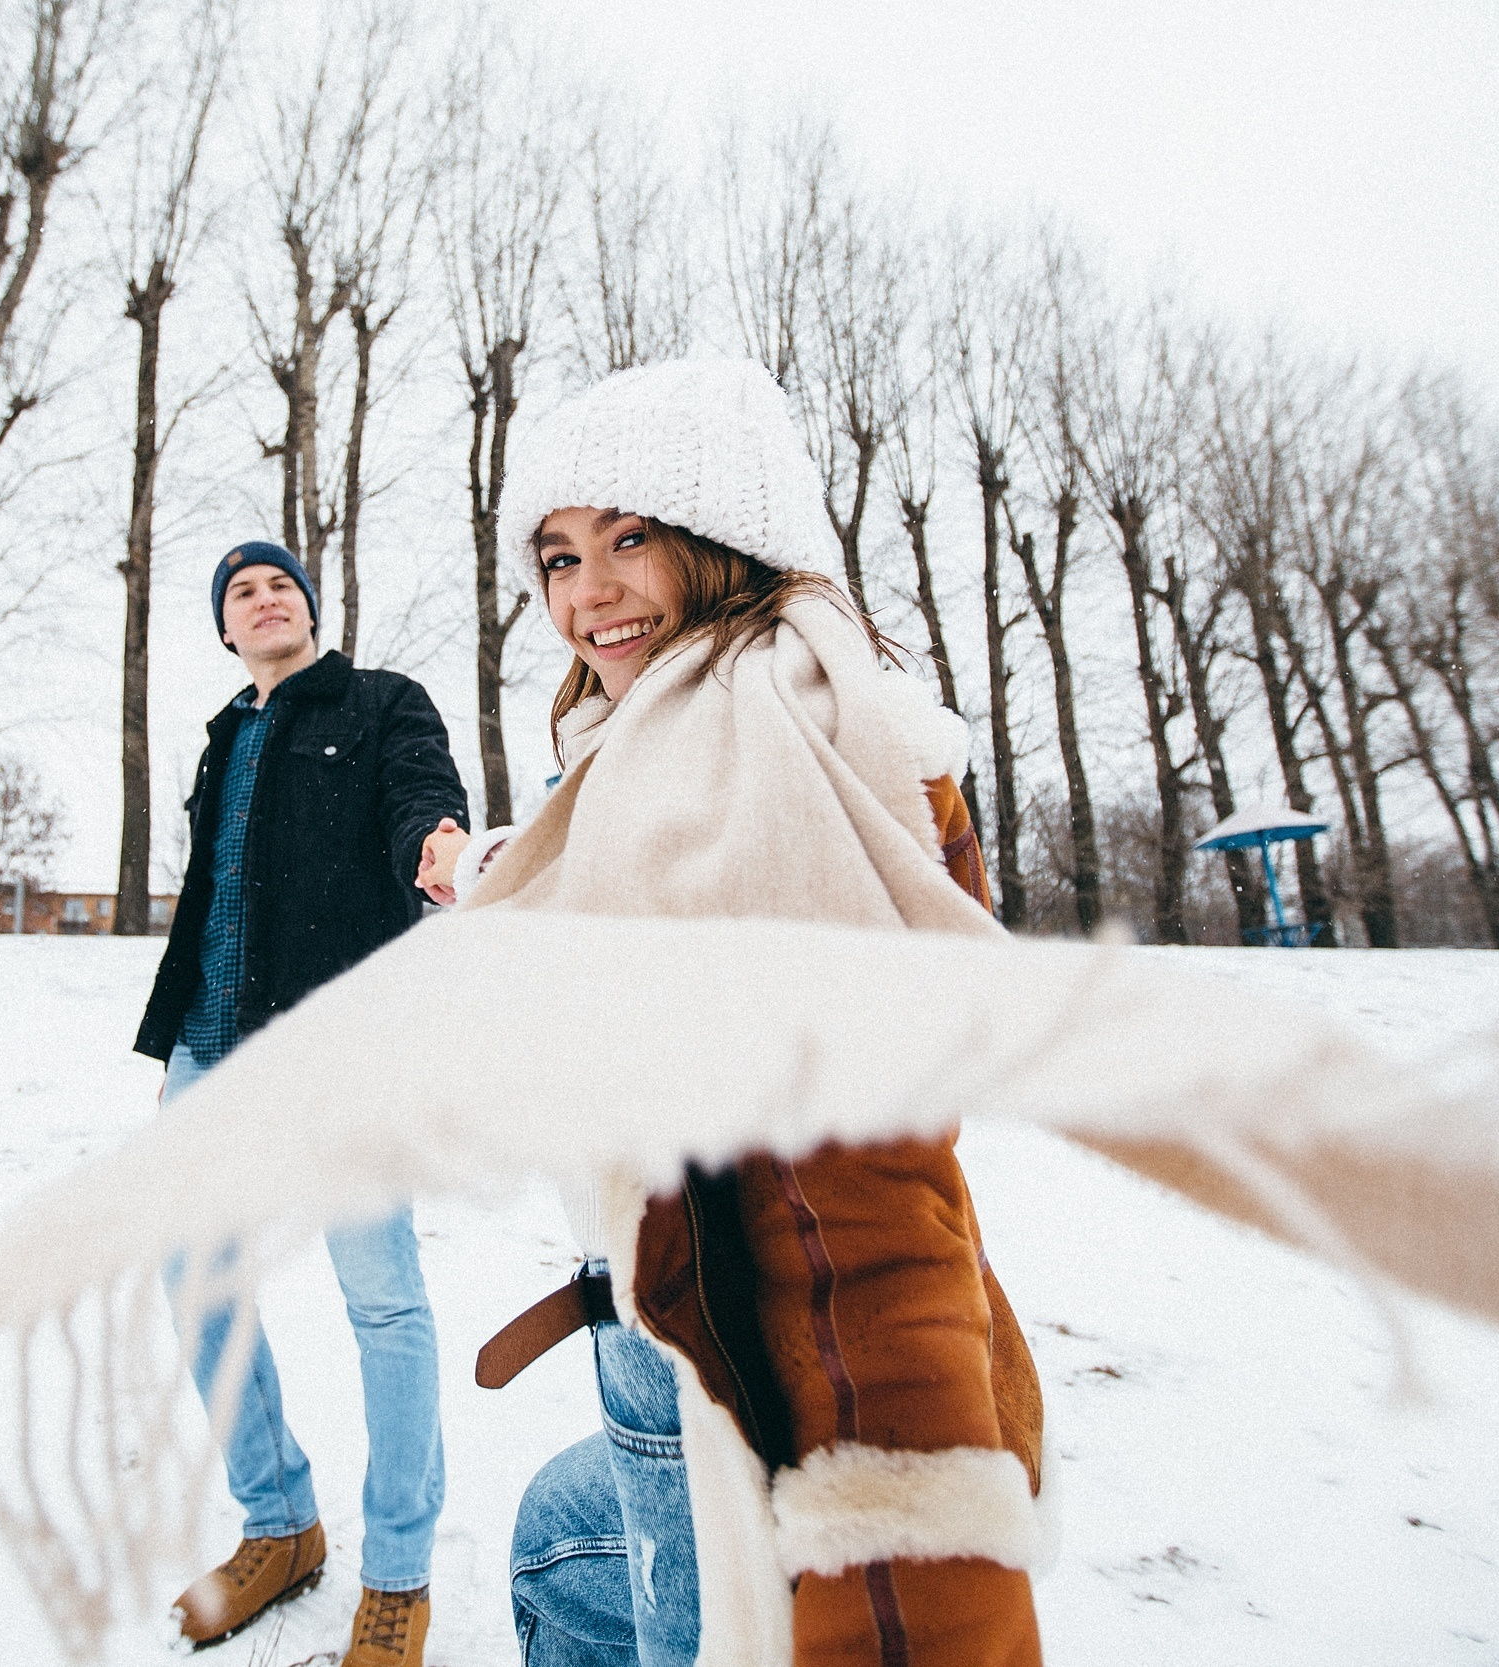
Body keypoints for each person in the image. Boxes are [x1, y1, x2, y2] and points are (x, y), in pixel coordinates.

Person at [444, 360, 1048, 1667]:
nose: (584, 591)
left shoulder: (760, 754)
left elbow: (848, 1201)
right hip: (645, 1303)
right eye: (556, 555)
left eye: (630, 538)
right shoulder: (668, 743)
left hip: (716, 1324)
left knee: (686, 1625)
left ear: (730, 546)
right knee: (558, 1538)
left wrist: (905, 1536)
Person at [134, 539, 471, 1666]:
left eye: (281, 582)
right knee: (192, 1274)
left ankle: (399, 1575)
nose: (264, 596)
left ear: (311, 609)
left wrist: (435, 842)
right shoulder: (225, 733)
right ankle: (279, 1523)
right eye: (241, 590)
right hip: (209, 1044)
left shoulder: (381, 703)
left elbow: (421, 790)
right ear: (226, 630)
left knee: (380, 1297)